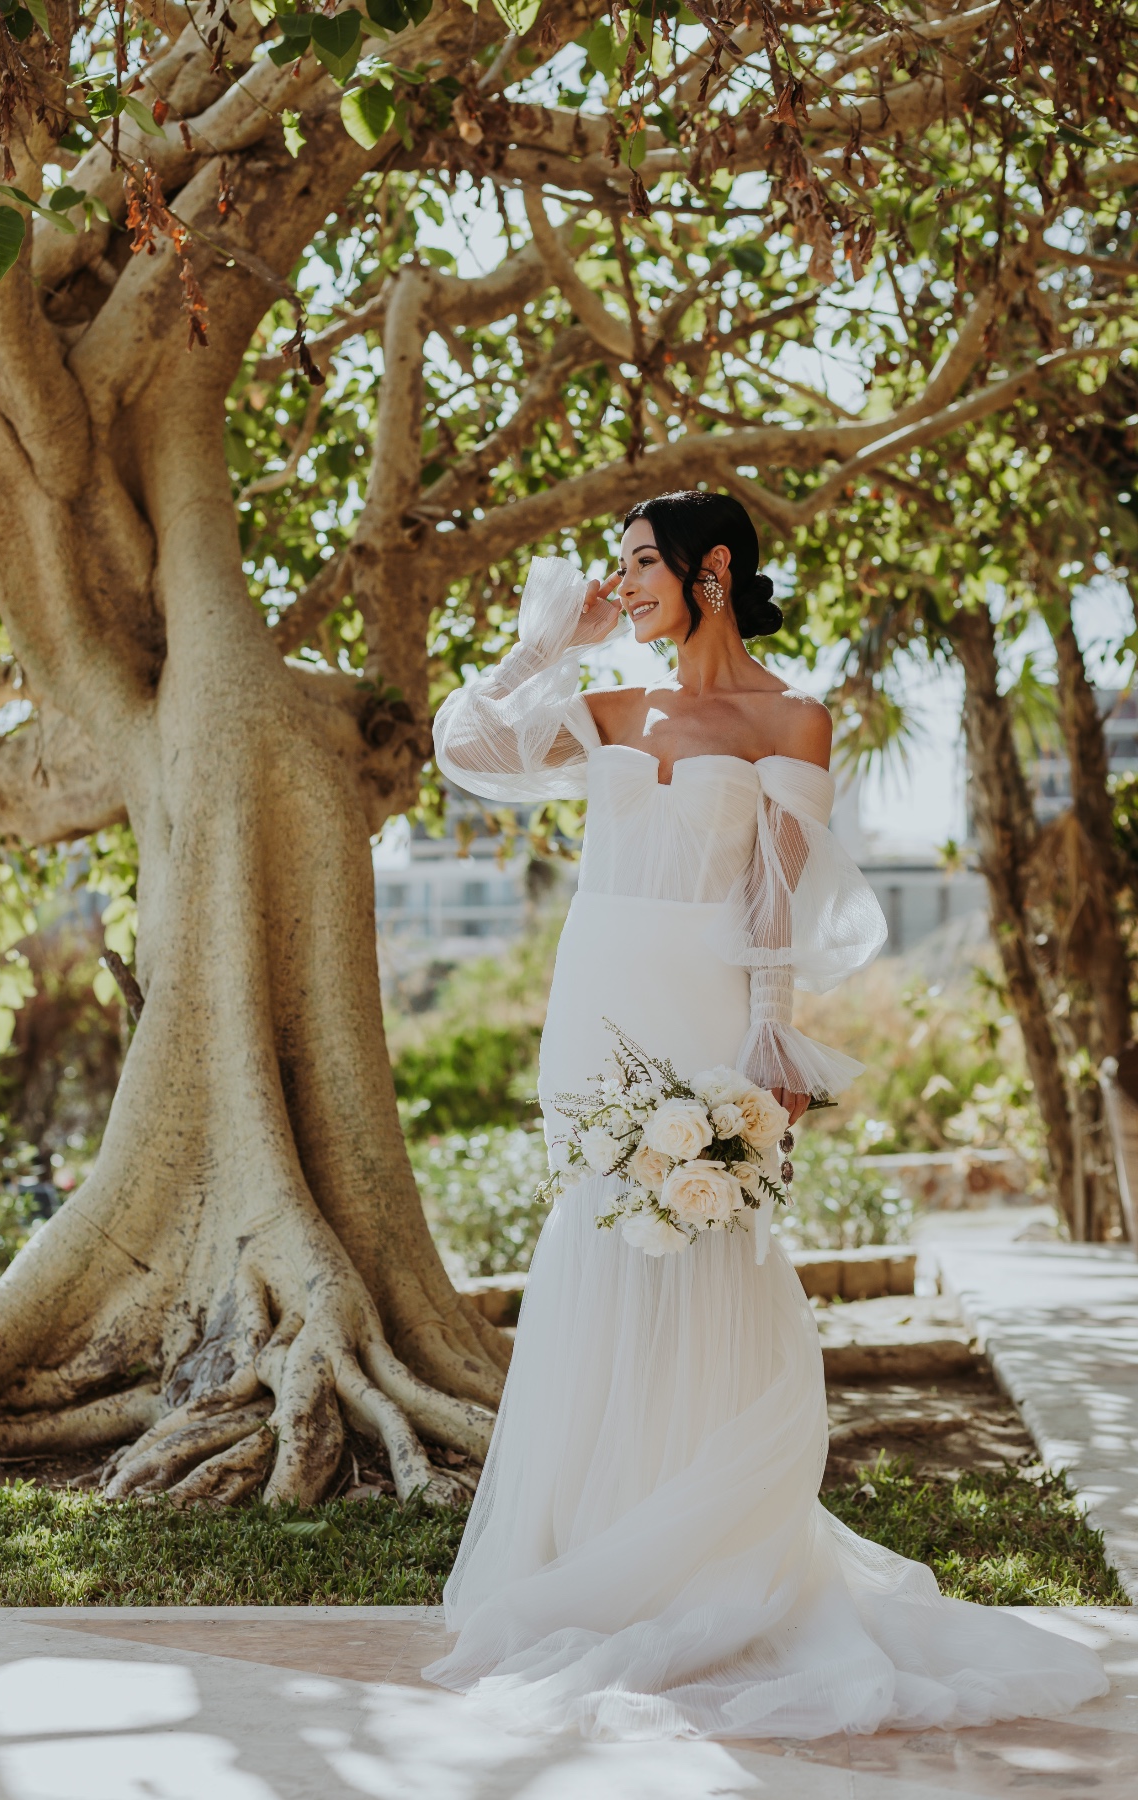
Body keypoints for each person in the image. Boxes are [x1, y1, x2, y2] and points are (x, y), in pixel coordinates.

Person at [424, 490, 1107, 1740]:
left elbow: (775, 899)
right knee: (601, 1244)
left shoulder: (792, 715)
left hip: (706, 1004)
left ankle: (709, 1552)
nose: (623, 585)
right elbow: (465, 749)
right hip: (599, 1002)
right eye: (618, 569)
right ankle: (599, 1544)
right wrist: (546, 643)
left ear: (712, 570)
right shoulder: (606, 704)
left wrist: (767, 1036)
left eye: (639, 566)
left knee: (713, 1243)